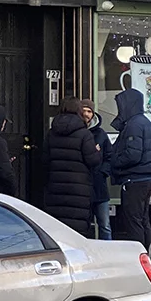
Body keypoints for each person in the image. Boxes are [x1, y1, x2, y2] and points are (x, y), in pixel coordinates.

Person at [42, 98, 102, 236]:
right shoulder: (84, 134)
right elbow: (92, 160)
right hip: (78, 187)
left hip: (55, 187)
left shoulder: (52, 133)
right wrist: (97, 152)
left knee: (57, 228)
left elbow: (45, 160)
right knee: (77, 229)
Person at [111, 88, 151, 248]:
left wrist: (114, 160)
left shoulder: (133, 125)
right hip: (145, 178)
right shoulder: (143, 121)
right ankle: (147, 254)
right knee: (143, 220)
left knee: (133, 221)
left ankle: (137, 256)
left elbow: (132, 155)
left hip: (134, 179)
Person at [80, 99, 115, 240]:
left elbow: (109, 156)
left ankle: (108, 254)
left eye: (89, 111)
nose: (86, 114)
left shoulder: (101, 134)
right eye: (83, 111)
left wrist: (103, 172)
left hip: (99, 187)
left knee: (105, 225)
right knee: (84, 226)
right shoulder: (77, 133)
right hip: (82, 187)